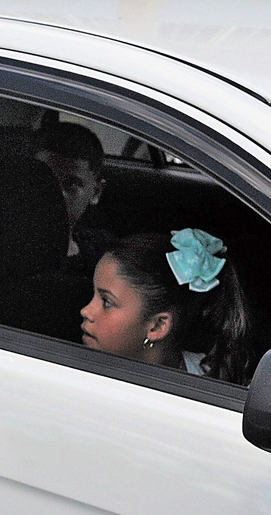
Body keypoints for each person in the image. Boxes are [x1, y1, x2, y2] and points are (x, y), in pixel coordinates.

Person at [79, 229, 254, 384]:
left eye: (107, 302)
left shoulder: (210, 379)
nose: (86, 311)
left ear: (157, 326)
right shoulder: (77, 374)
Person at [34, 121, 113, 275]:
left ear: (96, 192)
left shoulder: (104, 251)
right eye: (44, 180)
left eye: (71, 185)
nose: (55, 193)